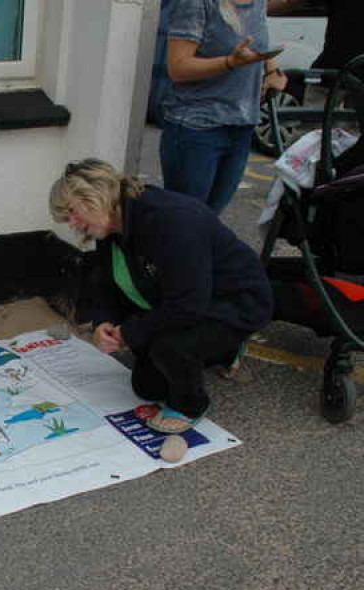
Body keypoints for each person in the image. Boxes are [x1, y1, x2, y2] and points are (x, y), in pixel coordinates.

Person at [50, 159, 273, 434]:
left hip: (236, 302)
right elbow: (108, 284)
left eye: (71, 212)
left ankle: (192, 405)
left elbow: (188, 306)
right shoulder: (110, 224)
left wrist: (130, 332)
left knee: (168, 347)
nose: (71, 223)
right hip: (185, 300)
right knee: (147, 387)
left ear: (95, 196)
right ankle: (223, 351)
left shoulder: (171, 220)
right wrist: (104, 323)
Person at [160, 0, 288, 213]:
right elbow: (178, 67)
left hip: (241, 126)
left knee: (209, 219)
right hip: (197, 127)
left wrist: (271, 69)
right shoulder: (196, 4)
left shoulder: (257, 3)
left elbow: (256, 41)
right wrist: (230, 62)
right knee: (186, 221)